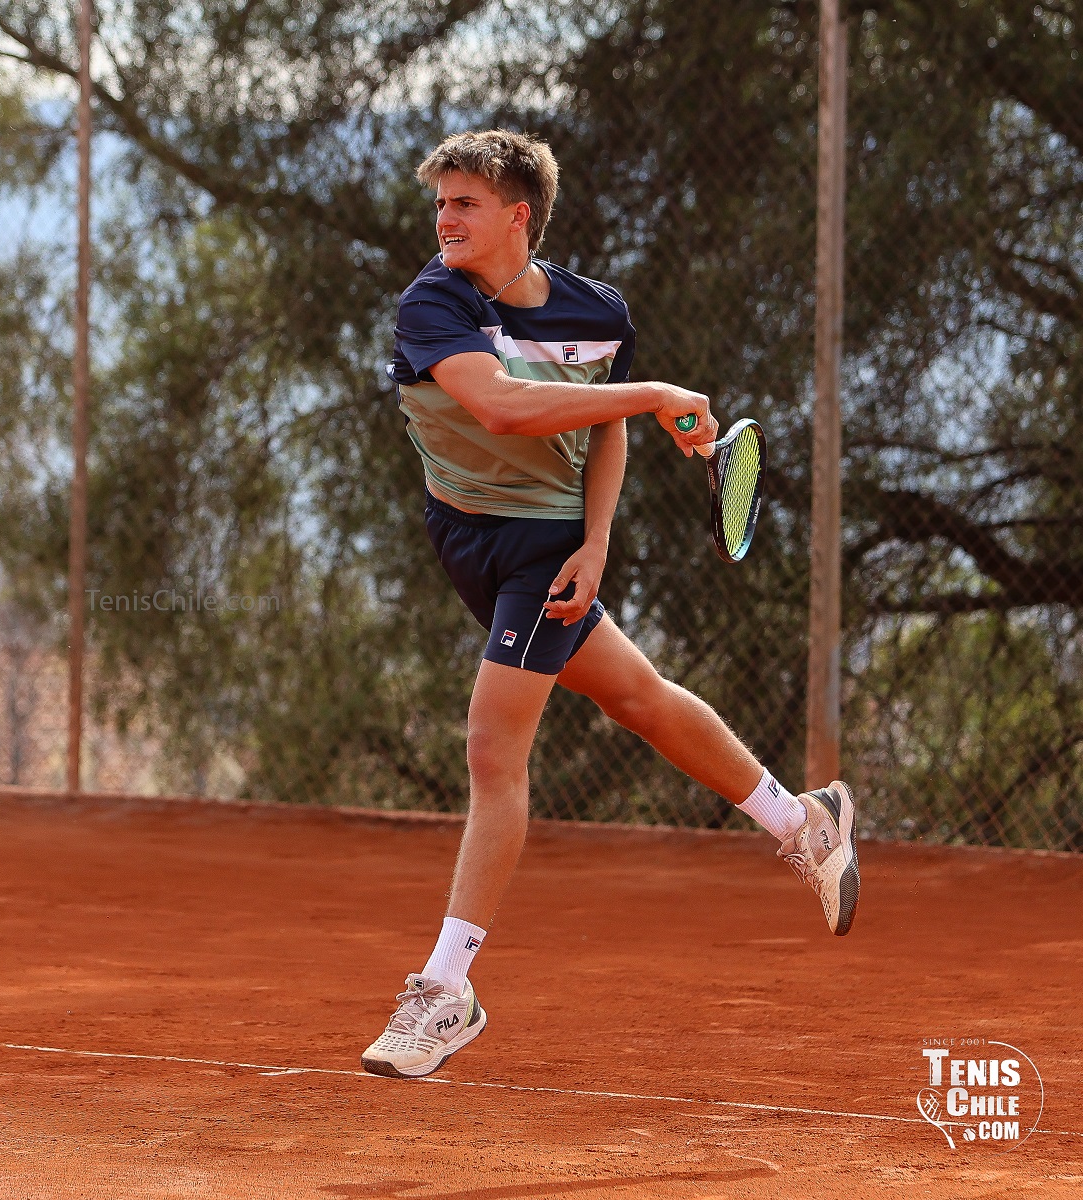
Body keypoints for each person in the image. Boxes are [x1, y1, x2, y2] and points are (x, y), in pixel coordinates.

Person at [359, 130, 860, 1081]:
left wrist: (594, 543)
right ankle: (804, 825)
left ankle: (445, 988)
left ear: (519, 216)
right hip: (464, 535)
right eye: (440, 204)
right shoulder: (434, 301)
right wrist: (654, 392)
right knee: (639, 695)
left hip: (542, 548)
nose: (445, 221)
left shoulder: (597, 313)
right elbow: (502, 407)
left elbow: (602, 435)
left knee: (492, 750)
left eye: (465, 204)